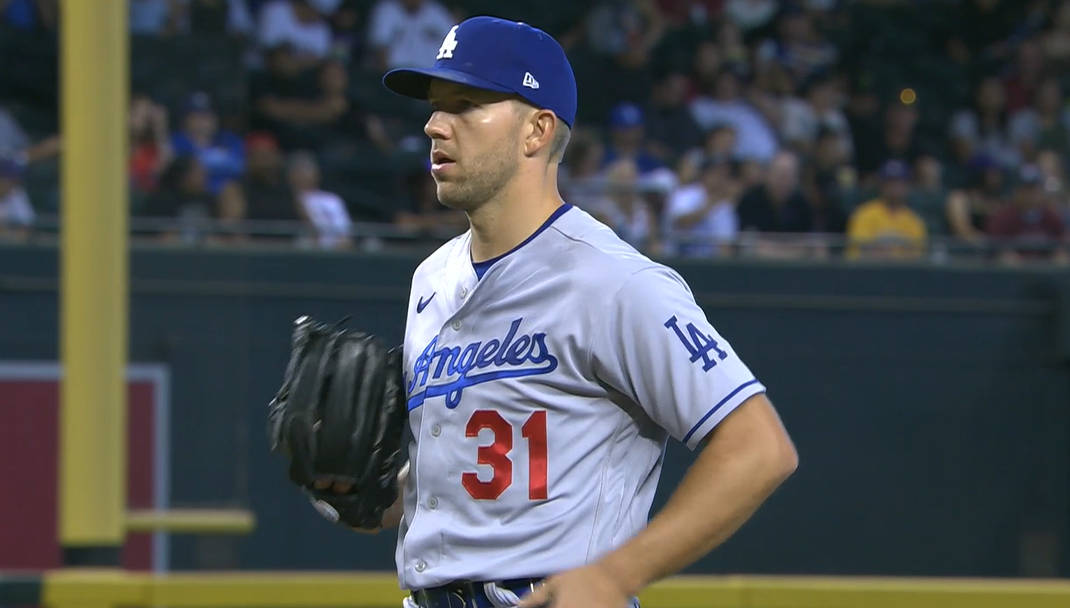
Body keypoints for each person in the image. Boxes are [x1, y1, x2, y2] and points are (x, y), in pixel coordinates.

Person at [311, 16, 797, 608]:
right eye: (437, 106)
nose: (434, 125)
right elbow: (467, 479)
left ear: (536, 131)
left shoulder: (614, 280)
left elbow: (759, 447)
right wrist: (364, 493)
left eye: (465, 104)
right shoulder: (431, 280)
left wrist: (620, 574)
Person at [845, 160, 928, 260]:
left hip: (904, 273)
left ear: (907, 186)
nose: (895, 188)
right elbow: (856, 252)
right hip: (870, 272)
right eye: (890, 182)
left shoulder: (914, 220)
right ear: (882, 185)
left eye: (899, 183)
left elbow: (918, 258)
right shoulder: (864, 214)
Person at [987, 164, 1066, 262]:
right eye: (1025, 189)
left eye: (1034, 189)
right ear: (1016, 191)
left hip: (1046, 271)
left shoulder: (1052, 217)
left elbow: (1061, 247)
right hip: (1014, 274)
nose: (1030, 194)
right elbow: (996, 250)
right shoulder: (1002, 217)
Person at [287, 150, 354, 249]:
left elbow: (345, 236)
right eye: (299, 171)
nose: (304, 176)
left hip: (329, 253)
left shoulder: (331, 200)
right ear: (290, 175)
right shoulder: (285, 200)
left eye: (307, 170)